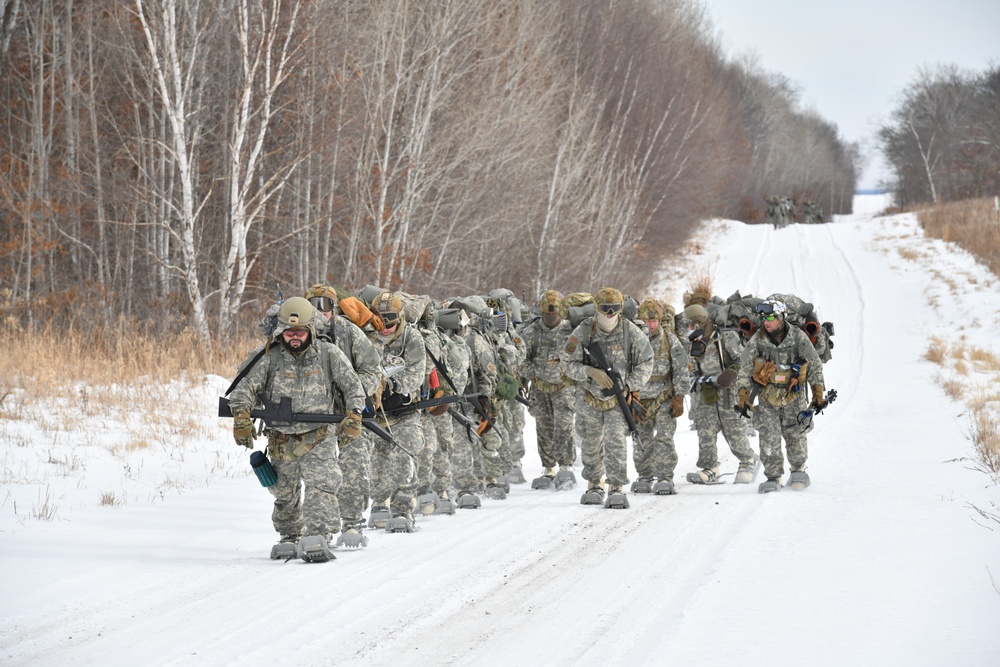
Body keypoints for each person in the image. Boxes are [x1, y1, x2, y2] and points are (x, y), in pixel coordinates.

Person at [229, 296, 366, 561]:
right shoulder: (268, 357)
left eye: (300, 332)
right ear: (281, 331)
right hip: (281, 438)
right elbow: (244, 389)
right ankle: (288, 535)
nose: (294, 337)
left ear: (311, 330)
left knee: (322, 486)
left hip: (320, 435)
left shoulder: (328, 354)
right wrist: (242, 417)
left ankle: (318, 535)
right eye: (289, 332)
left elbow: (352, 387)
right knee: (284, 492)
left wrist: (354, 415)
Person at [302, 284, 382, 547]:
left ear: (334, 309)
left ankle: (352, 521)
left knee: (354, 466)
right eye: (313, 305)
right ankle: (319, 527)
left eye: (325, 306)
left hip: (349, 414)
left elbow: (372, 369)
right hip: (313, 418)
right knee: (319, 474)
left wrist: (354, 393)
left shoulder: (349, 333)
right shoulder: (296, 335)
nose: (319, 312)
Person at [561, 287, 653, 507]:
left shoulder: (630, 331)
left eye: (614, 309)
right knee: (591, 443)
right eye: (605, 309)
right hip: (589, 397)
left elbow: (646, 362)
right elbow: (566, 362)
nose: (609, 314)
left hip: (617, 400)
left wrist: (629, 385)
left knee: (616, 442)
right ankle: (594, 483)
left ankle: (616, 486)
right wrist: (591, 372)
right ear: (596, 308)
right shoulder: (584, 331)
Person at [735, 296, 825, 492]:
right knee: (768, 436)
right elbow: (744, 369)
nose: (766, 323)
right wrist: (743, 395)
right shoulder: (757, 340)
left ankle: (798, 469)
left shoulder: (798, 337)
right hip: (767, 397)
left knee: (796, 434)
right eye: (764, 319)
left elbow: (814, 364)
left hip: (794, 395)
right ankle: (773, 476)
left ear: (781, 317)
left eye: (770, 319)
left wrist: (818, 391)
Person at [366, 290, 426, 531]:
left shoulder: (411, 338)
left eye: (391, 319)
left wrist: (395, 389)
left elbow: (416, 372)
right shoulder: (365, 338)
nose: (386, 325)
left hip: (403, 410)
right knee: (376, 461)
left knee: (405, 455)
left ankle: (402, 508)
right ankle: (380, 503)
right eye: (381, 319)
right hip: (374, 415)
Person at [685, 303, 759, 485]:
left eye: (691, 324)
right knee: (705, 431)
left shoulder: (725, 337)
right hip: (707, 392)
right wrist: (695, 378)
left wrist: (731, 373)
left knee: (734, 430)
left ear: (699, 322)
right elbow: (691, 366)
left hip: (728, 390)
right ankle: (710, 467)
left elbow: (743, 359)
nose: (689, 328)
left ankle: (748, 460)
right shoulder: (694, 342)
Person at [518, 290, 577, 489]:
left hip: (564, 388)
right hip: (540, 388)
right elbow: (520, 358)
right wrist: (534, 371)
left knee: (564, 427)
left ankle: (566, 466)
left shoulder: (570, 331)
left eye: (554, 313)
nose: (551, 316)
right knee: (544, 428)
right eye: (547, 313)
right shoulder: (531, 332)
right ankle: (548, 467)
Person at [632, 298, 689, 495]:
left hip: (664, 398)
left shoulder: (670, 340)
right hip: (640, 400)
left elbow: (682, 368)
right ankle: (644, 476)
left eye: (654, 320)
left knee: (664, 438)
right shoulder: (632, 341)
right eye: (647, 321)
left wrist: (679, 397)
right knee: (641, 439)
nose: (651, 324)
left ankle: (665, 477)